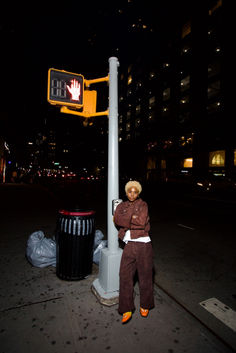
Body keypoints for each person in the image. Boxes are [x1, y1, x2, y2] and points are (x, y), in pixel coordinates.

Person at [114, 180, 154, 324]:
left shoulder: (143, 205)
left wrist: (127, 218)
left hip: (144, 244)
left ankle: (146, 304)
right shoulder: (121, 205)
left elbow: (142, 221)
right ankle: (126, 308)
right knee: (124, 275)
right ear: (126, 192)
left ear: (138, 193)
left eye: (135, 191)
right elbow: (117, 220)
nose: (132, 194)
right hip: (129, 244)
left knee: (145, 275)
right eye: (129, 191)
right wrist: (132, 218)